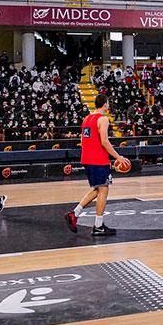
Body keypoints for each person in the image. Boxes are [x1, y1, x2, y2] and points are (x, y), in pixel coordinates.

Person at [65, 94, 129, 236]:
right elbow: (104, 141)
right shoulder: (103, 119)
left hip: (87, 158)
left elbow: (84, 140)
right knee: (103, 190)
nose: (108, 105)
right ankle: (98, 226)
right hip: (98, 160)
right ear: (105, 104)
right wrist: (118, 157)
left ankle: (74, 213)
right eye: (108, 103)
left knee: (98, 189)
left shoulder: (87, 119)